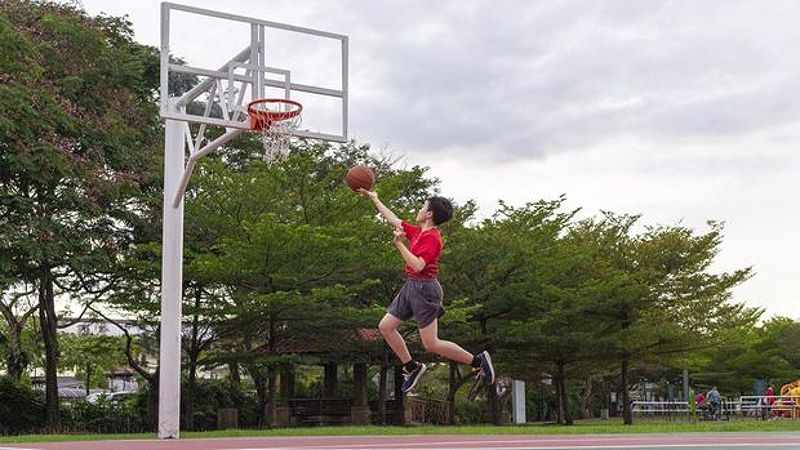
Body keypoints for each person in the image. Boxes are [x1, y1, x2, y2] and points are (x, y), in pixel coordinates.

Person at [360, 189, 495, 392]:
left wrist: (398, 244)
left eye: (423, 206)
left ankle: (478, 361)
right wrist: (376, 200)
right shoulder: (418, 231)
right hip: (412, 285)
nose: (420, 209)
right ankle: (411, 367)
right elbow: (395, 221)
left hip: (425, 288)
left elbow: (418, 265)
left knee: (431, 344)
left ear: (429, 213)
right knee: (386, 326)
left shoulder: (432, 238)